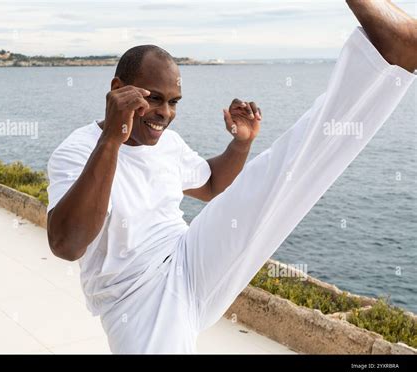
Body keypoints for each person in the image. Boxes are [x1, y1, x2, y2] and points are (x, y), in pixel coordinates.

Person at [46, 0, 416, 353]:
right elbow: (67, 244)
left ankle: (385, 59)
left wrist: (241, 144)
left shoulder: (168, 145)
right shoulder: (77, 151)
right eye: (154, 98)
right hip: (134, 297)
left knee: (281, 174)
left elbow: (211, 185)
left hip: (187, 254)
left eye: (173, 102)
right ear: (117, 90)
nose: (164, 113)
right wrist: (113, 137)